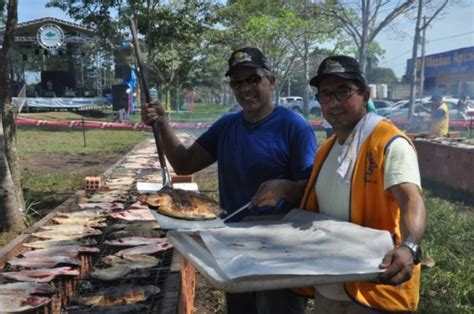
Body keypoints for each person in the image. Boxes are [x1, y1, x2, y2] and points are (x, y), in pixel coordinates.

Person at [144, 47, 317, 314]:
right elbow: (185, 163)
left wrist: (286, 188)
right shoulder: (227, 126)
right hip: (234, 246)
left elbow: (313, 191)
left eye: (253, 79)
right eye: (237, 82)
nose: (245, 88)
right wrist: (164, 125)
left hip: (281, 250)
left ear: (270, 81)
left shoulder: (294, 126)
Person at [252, 55, 426, 313]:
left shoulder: (388, 142)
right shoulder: (327, 149)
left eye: (343, 92)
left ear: (365, 96)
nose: (334, 102)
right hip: (331, 283)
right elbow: (320, 197)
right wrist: (285, 188)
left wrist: (409, 247)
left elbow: (410, 198)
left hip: (376, 283)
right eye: (325, 95)